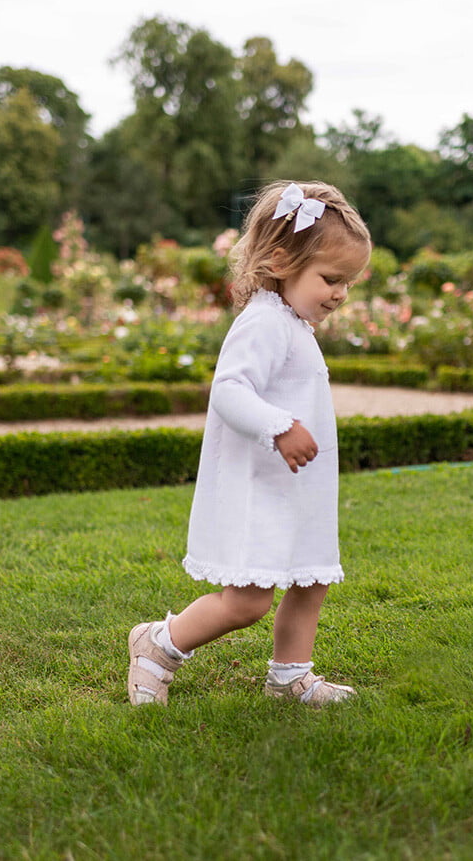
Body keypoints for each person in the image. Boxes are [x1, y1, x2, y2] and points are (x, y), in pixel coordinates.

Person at [127, 181, 371, 708]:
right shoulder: (264, 322)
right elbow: (229, 391)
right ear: (282, 260)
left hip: (299, 489)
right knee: (248, 602)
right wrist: (280, 426)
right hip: (262, 489)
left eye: (348, 283)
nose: (340, 294)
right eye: (331, 279)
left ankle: (290, 676)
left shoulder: (292, 322)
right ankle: (158, 645)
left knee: (310, 583)